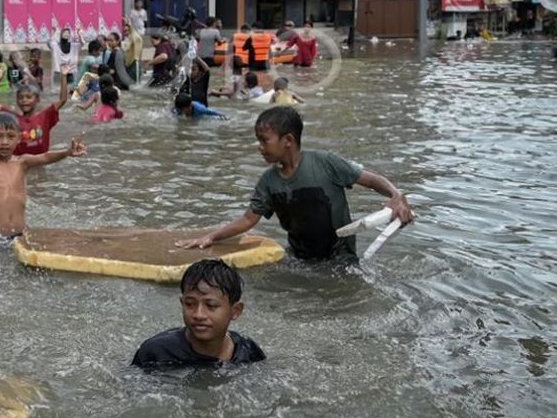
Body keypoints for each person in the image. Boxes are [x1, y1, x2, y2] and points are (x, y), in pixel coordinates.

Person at [178, 107, 415, 261]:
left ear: (288, 140)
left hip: (340, 259)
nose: (259, 147)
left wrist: (396, 196)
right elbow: (248, 219)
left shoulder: (326, 163)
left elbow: (372, 180)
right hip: (300, 259)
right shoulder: (268, 182)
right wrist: (211, 237)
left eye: (264, 141)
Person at [0, 78, 86, 243]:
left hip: (20, 236)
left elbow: (45, 157)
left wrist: (67, 152)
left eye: (10, 137)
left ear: (19, 139)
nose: (4, 142)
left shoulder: (22, 162)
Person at [131, 260, 265, 371]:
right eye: (190, 304)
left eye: (211, 305)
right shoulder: (156, 353)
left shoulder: (248, 352)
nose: (199, 314)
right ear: (182, 303)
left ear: (235, 311)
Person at [0, 64, 70, 156]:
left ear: (37, 99)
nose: (24, 100)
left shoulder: (45, 116)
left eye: (28, 97)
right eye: (20, 98)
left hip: (40, 161)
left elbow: (63, 100)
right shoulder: (13, 118)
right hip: (19, 162)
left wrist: (63, 76)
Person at [123, 17, 144, 83]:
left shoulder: (136, 38)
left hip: (134, 63)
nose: (126, 32)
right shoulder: (126, 39)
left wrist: (130, 25)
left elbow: (135, 38)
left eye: (127, 30)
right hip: (127, 63)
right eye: (124, 31)